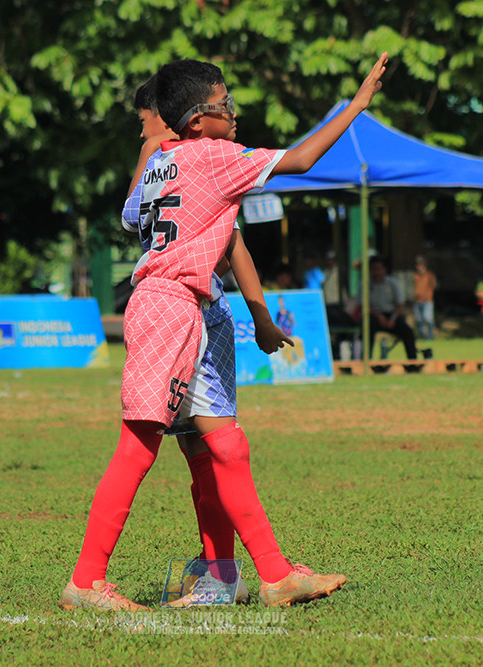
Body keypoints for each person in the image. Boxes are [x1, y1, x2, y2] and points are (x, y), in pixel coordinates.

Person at [60, 53, 389, 611]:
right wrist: (356, 105)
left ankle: (262, 573)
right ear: (196, 120)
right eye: (223, 104)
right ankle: (86, 582)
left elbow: (150, 219)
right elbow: (304, 159)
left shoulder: (161, 159)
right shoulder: (214, 156)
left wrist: (257, 314)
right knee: (138, 446)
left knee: (222, 446)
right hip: (171, 305)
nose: (233, 113)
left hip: (181, 306)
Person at [119, 74, 293, 605]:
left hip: (204, 309)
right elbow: (133, 219)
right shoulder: (172, 164)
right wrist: (149, 158)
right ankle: (228, 569)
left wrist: (259, 316)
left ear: (169, 117)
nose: (144, 130)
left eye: (146, 121)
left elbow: (234, 242)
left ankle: (227, 569)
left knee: (212, 440)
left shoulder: (206, 160)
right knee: (201, 443)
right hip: (179, 308)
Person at [367, 257, 417, 360]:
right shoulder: (365, 284)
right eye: (374, 269)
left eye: (379, 269)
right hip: (374, 315)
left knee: (407, 331)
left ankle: (412, 362)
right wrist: (379, 316)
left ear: (384, 269)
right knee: (367, 328)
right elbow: (363, 306)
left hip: (391, 315)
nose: (376, 272)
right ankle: (366, 359)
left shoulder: (392, 283)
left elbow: (400, 303)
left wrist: (393, 318)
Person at [412, 255, 436, 340]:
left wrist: (428, 296)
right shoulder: (414, 275)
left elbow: (433, 286)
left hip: (427, 301)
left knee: (428, 318)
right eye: (417, 264)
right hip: (416, 301)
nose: (419, 266)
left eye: (420, 264)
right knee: (419, 320)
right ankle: (422, 336)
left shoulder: (429, 275)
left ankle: (430, 336)